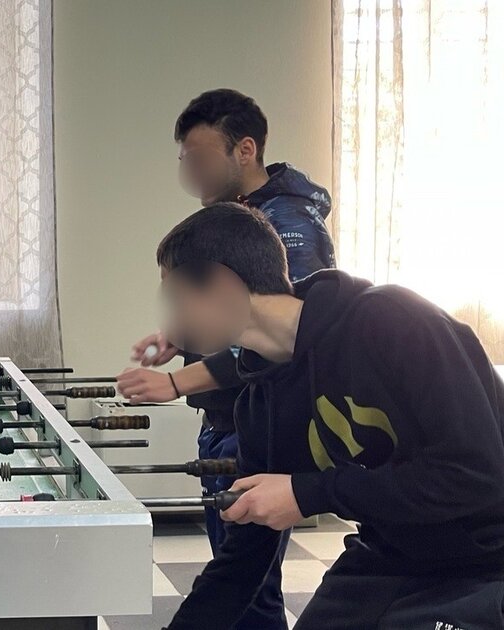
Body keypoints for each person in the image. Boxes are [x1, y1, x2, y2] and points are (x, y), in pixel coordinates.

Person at [154, 203, 504, 629]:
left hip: (490, 556)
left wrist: (307, 493)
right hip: (390, 554)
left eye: (176, 298)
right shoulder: (260, 407)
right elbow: (242, 562)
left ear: (223, 284)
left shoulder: (394, 319)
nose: (172, 325)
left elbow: (475, 476)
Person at [118, 88, 335, 629]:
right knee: (239, 573)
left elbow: (271, 338)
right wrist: (183, 336)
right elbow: (242, 321)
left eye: (199, 157)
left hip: (256, 429)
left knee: (255, 597)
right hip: (235, 425)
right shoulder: (237, 216)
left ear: (245, 149)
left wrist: (176, 383)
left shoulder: (290, 224)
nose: (190, 173)